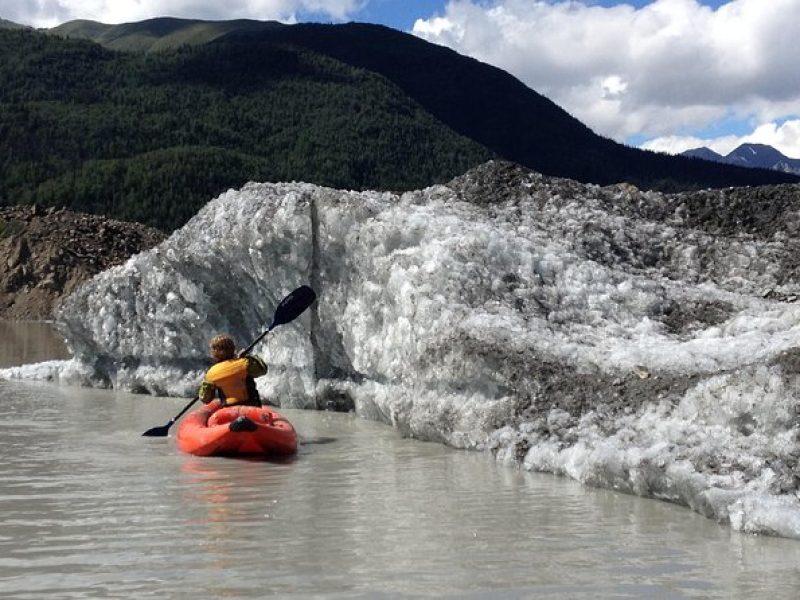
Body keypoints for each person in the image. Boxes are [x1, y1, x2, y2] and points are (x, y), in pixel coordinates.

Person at [198, 334, 269, 407]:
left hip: (228, 410)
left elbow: (205, 398)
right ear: (233, 349)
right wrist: (248, 357)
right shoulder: (245, 363)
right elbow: (263, 369)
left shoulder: (211, 373)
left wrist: (205, 383)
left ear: (215, 353)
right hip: (251, 406)